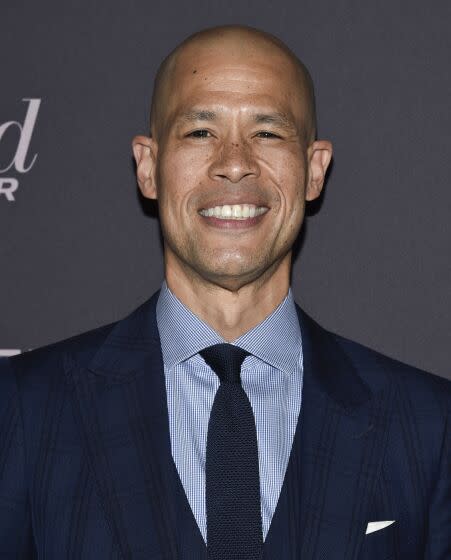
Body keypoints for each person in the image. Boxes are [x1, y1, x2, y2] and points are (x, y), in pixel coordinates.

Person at [0, 25, 449, 560]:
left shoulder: (428, 425)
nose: (234, 162)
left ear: (314, 169)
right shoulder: (23, 410)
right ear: (148, 166)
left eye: (267, 133)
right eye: (199, 132)